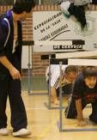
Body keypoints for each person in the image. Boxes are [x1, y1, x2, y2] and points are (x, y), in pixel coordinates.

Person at [0, 0, 35, 137]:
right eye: (31, 11)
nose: (31, 14)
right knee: (1, 94)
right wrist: (10, 68)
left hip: (12, 63)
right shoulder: (4, 23)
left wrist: (17, 68)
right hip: (2, 64)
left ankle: (19, 127)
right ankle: (1, 124)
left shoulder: (18, 23)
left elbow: (16, 49)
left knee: (15, 93)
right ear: (24, 11)